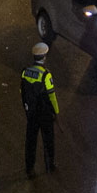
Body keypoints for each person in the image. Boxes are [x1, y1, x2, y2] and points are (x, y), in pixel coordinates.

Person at [21, 42, 59, 178]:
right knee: (48, 139)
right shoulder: (46, 75)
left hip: (31, 113)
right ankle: (49, 165)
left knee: (30, 141)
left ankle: (29, 168)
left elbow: (23, 92)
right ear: (44, 57)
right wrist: (56, 112)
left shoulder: (25, 72)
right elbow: (52, 96)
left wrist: (27, 108)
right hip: (45, 113)